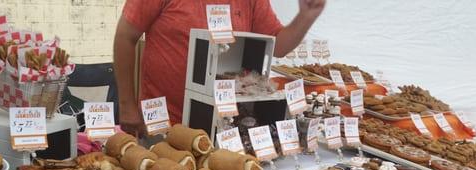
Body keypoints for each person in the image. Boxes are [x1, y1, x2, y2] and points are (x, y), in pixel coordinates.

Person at [114, 0, 326, 136]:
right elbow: (125, 36)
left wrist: (306, 17)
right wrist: (126, 105)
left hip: (226, 125)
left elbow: (277, 45)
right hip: (164, 121)